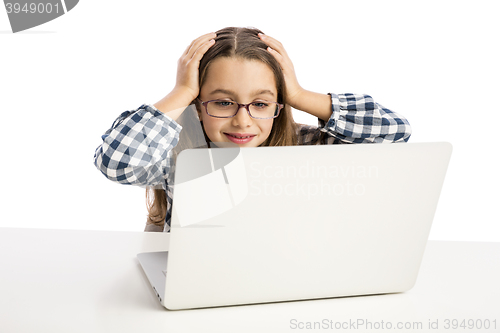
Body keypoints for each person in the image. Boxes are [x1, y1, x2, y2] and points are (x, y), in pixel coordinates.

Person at [94, 27, 412, 232]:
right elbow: (116, 162)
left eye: (260, 104)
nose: (243, 122)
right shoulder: (175, 155)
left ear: (279, 104)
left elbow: (396, 133)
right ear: (197, 104)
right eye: (222, 102)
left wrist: (301, 96)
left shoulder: (305, 146)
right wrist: (181, 93)